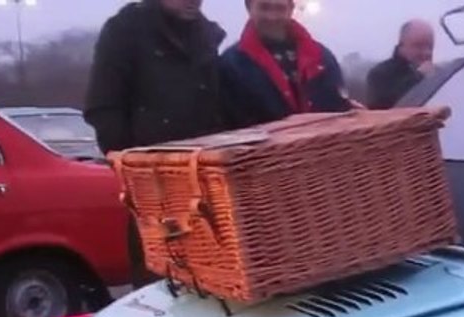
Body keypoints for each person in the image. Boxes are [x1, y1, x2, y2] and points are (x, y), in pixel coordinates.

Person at [84, 0, 227, 287]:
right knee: (160, 279)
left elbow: (219, 107)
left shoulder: (205, 36)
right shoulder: (126, 30)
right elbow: (103, 104)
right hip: (152, 185)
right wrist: (130, 166)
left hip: (203, 181)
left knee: (216, 278)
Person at [219, 0, 354, 130]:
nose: (272, 17)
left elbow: (340, 109)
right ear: (249, 7)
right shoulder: (232, 64)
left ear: (291, 9)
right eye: (264, 7)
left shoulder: (321, 57)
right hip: (264, 152)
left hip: (327, 147)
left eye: (280, 8)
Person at [366, 20, 437, 110]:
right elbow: (380, 108)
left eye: (430, 47)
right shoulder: (379, 74)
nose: (427, 52)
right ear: (402, 45)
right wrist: (418, 78)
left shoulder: (440, 75)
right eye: (419, 46)